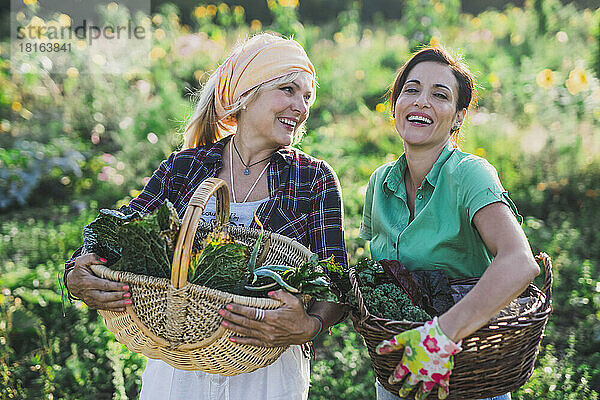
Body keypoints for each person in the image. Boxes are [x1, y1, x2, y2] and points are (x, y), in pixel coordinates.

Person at [64, 32, 348, 400]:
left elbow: (337, 283)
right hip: (177, 365)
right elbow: (114, 233)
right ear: (247, 96)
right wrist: (75, 274)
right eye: (288, 90)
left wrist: (309, 326)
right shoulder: (185, 168)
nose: (301, 106)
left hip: (268, 369)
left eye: (306, 96)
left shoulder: (314, 179)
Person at [358, 46, 540, 400]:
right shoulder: (379, 183)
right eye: (411, 90)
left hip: (466, 375)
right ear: (395, 105)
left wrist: (442, 334)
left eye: (439, 95)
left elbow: (519, 262)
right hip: (399, 374)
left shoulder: (470, 175)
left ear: (458, 117)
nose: (422, 101)